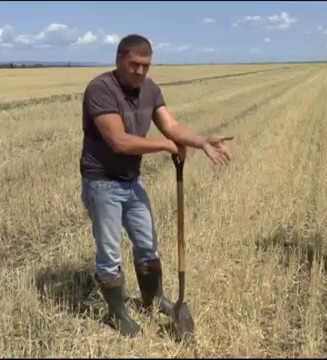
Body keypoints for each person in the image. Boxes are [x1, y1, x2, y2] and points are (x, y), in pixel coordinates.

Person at [80, 34, 232, 336]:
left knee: (147, 243)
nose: (139, 71)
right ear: (119, 59)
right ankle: (117, 313)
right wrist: (165, 146)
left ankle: (153, 298)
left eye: (145, 66)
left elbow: (172, 126)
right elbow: (119, 141)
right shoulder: (101, 89)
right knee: (110, 253)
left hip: (131, 180)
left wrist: (201, 140)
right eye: (134, 64)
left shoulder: (150, 89)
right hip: (102, 182)